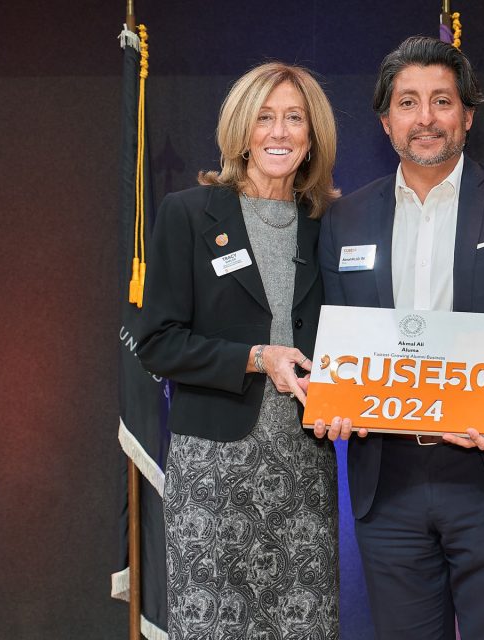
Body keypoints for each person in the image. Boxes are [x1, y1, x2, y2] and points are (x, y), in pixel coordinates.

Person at [317, 36, 484, 640]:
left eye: (442, 100)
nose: (426, 117)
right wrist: (330, 397)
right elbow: (334, 334)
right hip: (389, 482)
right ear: (386, 122)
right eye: (408, 103)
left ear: (467, 114)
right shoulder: (344, 219)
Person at [138, 62, 343, 640]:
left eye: (294, 119)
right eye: (265, 117)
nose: (279, 132)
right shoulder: (188, 214)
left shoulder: (328, 221)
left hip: (304, 466)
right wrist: (256, 357)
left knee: (303, 624)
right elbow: (157, 343)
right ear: (241, 130)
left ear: (311, 137)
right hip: (214, 469)